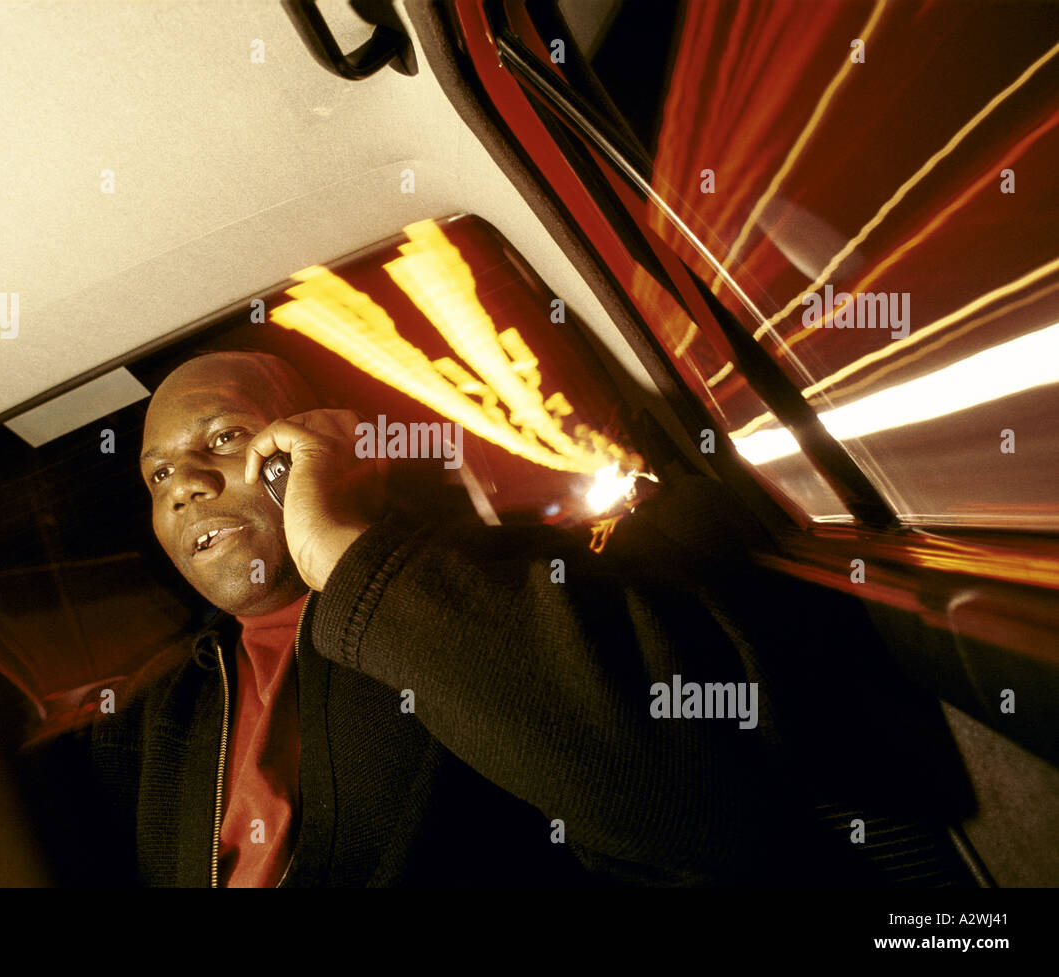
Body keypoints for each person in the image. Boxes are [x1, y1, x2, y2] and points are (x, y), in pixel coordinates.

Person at [90, 349, 975, 887]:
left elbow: (696, 817)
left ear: (318, 442)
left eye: (221, 440)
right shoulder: (167, 718)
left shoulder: (493, 590)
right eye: (158, 475)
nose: (186, 486)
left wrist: (347, 562)